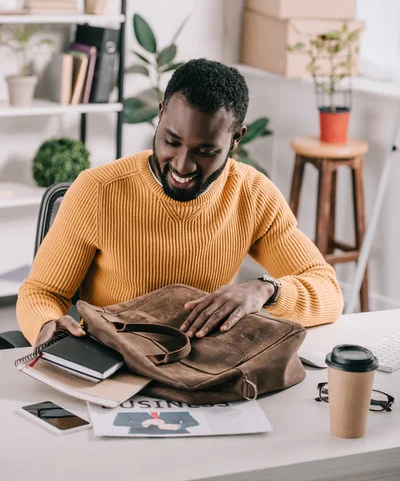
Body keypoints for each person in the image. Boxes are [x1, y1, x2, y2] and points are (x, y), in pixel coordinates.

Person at [17, 59, 343, 347]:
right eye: (172, 141)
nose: (182, 166)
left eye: (205, 151)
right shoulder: (98, 191)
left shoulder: (253, 194)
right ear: (160, 115)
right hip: (112, 362)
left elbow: (328, 291)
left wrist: (265, 290)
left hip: (199, 369)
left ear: (235, 139)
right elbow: (42, 292)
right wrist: (47, 325)